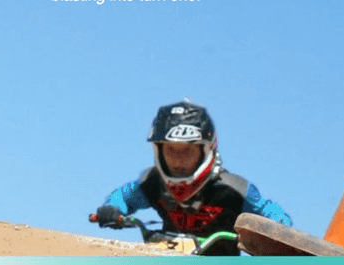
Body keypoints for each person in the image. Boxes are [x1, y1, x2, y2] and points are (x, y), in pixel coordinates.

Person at [90, 101, 293, 238]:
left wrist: (278, 230)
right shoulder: (152, 182)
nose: (178, 159)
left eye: (187, 150)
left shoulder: (233, 190)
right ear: (159, 151)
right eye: (171, 150)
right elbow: (124, 197)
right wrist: (112, 208)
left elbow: (270, 214)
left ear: (207, 150)